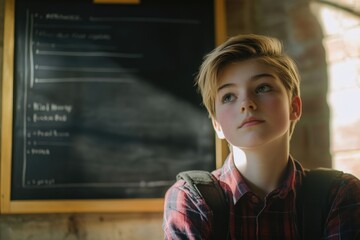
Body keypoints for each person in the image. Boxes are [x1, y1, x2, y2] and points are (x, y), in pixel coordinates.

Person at [162, 34, 360, 239]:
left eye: (262, 87)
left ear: (294, 107)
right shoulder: (191, 199)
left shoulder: (339, 195)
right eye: (228, 96)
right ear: (217, 125)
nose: (246, 103)